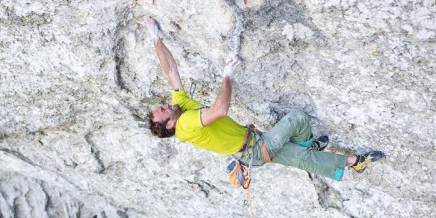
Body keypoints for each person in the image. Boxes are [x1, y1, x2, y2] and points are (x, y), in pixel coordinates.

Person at [144, 16, 384, 181]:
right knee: (296, 119)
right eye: (163, 111)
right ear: (170, 123)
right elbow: (219, 110)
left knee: (300, 152)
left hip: (253, 145)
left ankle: (320, 151)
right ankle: (354, 161)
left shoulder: (181, 108)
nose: (165, 105)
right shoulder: (186, 125)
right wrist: (227, 76)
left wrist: (155, 38)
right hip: (254, 150)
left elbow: (171, 70)